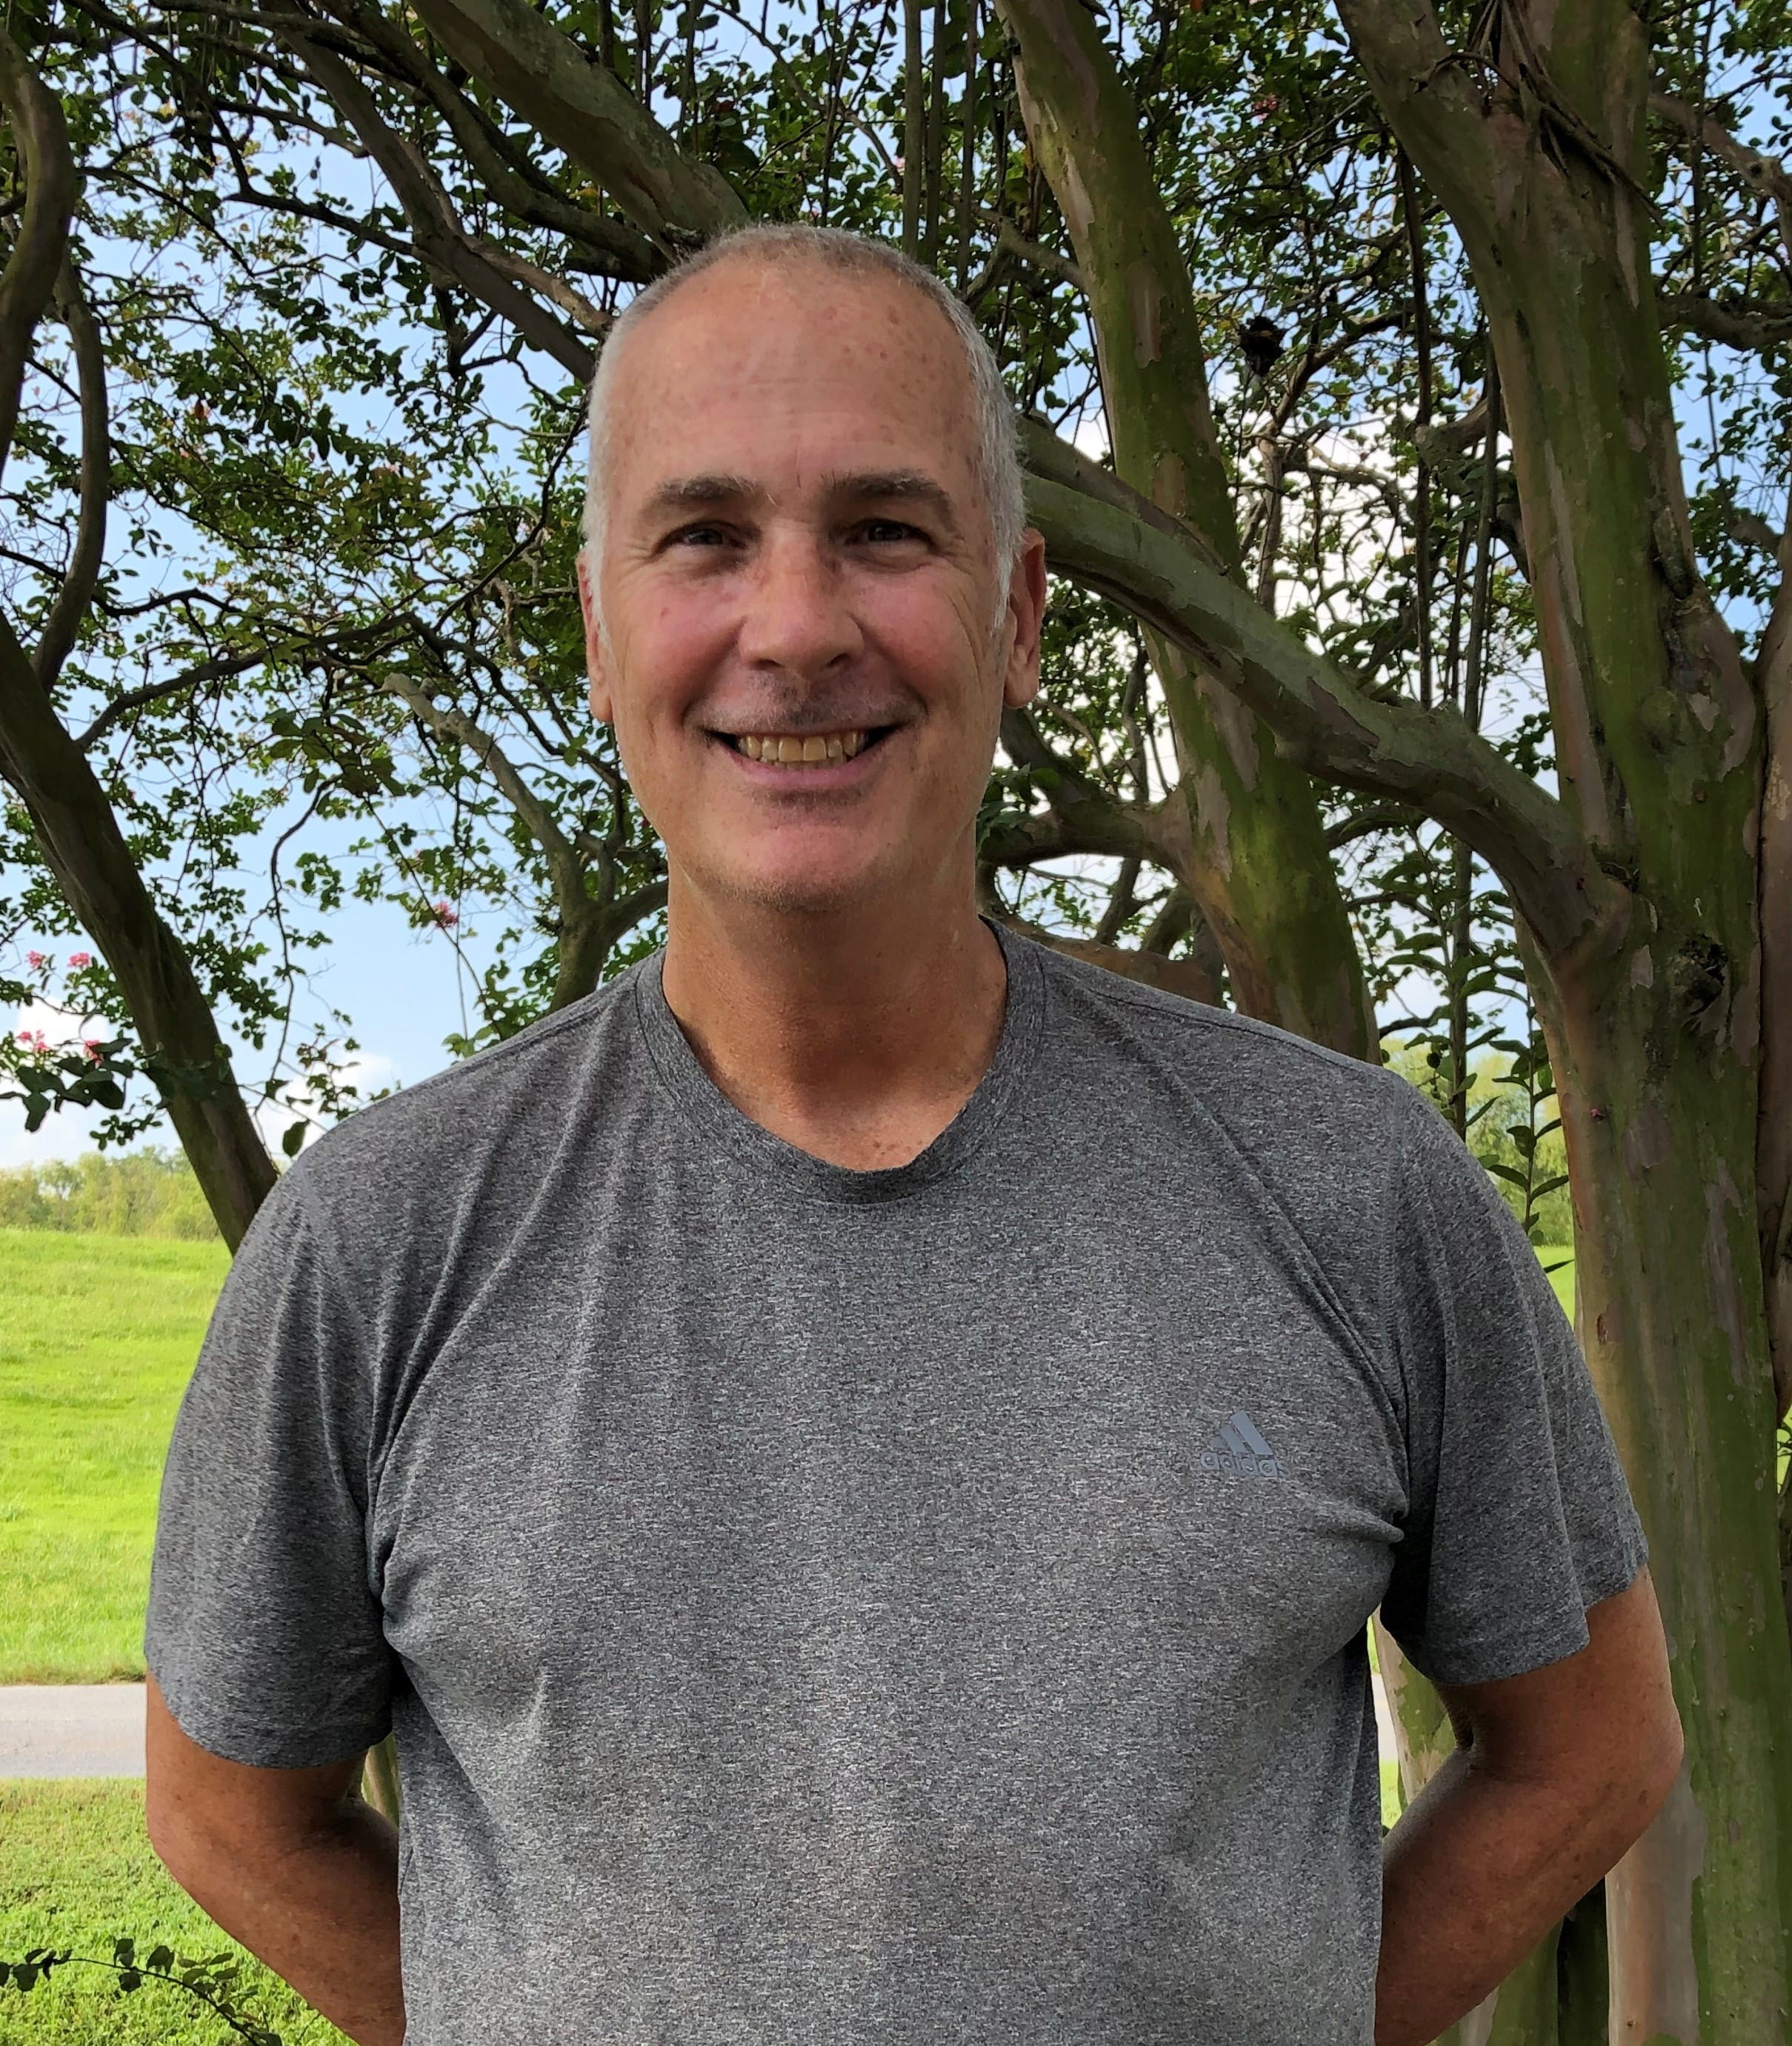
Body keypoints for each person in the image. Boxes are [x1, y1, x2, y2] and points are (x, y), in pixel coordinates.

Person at [143, 224, 1682, 2046]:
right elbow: (228, 1813)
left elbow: (1592, 1746)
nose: (797, 627)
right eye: (705, 537)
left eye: (884, 530)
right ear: (600, 632)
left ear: (1016, 618)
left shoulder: (1349, 1187)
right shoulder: (381, 1243)